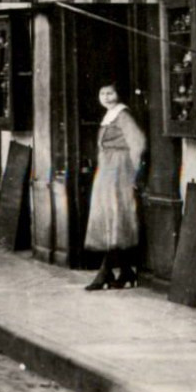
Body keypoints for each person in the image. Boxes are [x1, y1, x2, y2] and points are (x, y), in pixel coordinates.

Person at [84, 83, 148, 290]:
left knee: (116, 216)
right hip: (108, 170)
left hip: (120, 170)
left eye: (110, 92)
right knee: (109, 217)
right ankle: (126, 271)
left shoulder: (122, 116)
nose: (106, 97)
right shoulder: (109, 116)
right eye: (102, 93)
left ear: (119, 94)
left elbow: (138, 143)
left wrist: (134, 172)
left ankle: (105, 271)